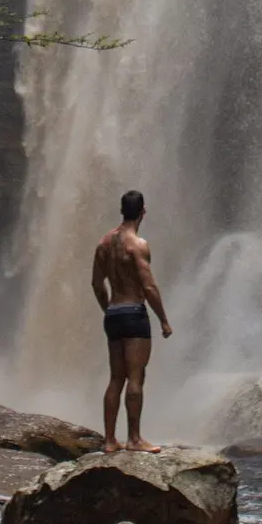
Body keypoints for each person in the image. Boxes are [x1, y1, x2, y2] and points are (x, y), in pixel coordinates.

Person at [91, 189, 172, 453]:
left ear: (122, 210)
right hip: (134, 313)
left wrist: (108, 309)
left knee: (116, 378)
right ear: (143, 212)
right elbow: (148, 287)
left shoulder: (104, 243)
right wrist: (163, 320)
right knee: (136, 378)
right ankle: (134, 439)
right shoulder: (137, 245)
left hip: (114, 313)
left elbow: (96, 283)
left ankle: (109, 440)